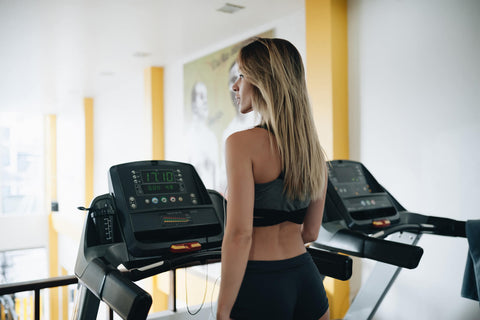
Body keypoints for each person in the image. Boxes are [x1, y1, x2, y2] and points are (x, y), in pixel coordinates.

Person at [217, 38, 330, 320]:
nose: (235, 85)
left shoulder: (240, 144)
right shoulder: (313, 151)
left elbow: (239, 236)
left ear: (262, 81)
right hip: (307, 281)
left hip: (260, 284)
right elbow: (311, 233)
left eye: (241, 75)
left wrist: (222, 310)